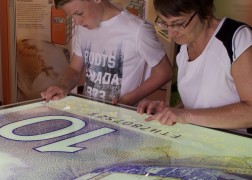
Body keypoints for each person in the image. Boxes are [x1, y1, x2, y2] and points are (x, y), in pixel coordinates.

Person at [137, 0, 252, 131]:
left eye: (179, 24)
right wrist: (170, 112)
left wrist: (186, 115)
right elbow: (199, 104)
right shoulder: (184, 47)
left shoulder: (237, 39)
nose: (170, 33)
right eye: (164, 23)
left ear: (205, 13)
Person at [41, 0, 173, 106]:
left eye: (79, 13)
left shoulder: (138, 30)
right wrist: (63, 85)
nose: (77, 21)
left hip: (124, 119)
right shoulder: (83, 29)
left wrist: (127, 100)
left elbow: (165, 72)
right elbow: (74, 69)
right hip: (90, 114)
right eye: (72, 16)